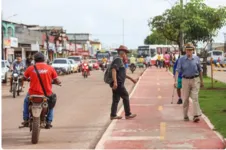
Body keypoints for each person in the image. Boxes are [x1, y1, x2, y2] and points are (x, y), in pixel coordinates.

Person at [22, 52, 61, 129]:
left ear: (34, 60)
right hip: (47, 94)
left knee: (26, 101)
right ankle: (49, 121)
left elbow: (24, 78)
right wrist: (57, 82)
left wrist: (27, 79)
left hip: (32, 93)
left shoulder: (30, 68)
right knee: (51, 104)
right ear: (44, 59)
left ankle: (26, 119)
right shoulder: (50, 68)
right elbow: (57, 80)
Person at [175, 43, 204, 122]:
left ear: (193, 51)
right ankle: (185, 115)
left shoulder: (196, 58)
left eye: (190, 50)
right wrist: (176, 81)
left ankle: (195, 115)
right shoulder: (181, 59)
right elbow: (177, 71)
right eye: (187, 50)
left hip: (195, 79)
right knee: (186, 99)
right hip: (185, 80)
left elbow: (200, 70)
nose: (189, 51)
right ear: (185, 50)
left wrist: (201, 81)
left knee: (195, 98)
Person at [110, 45, 138, 120]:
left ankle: (113, 115)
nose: (126, 55)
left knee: (116, 99)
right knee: (125, 96)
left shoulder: (120, 60)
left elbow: (122, 74)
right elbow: (113, 70)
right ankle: (128, 113)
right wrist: (115, 82)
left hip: (117, 83)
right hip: (118, 84)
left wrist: (131, 79)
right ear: (122, 53)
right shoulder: (118, 59)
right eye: (126, 54)